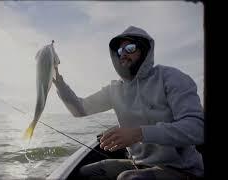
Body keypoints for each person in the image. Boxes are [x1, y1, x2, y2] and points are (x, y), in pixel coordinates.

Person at [52, 26, 204, 180]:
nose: (123, 54)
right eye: (120, 51)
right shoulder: (114, 89)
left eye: (130, 48)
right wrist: (58, 82)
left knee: (128, 178)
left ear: (144, 50)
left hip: (182, 169)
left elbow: (197, 128)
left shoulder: (171, 77)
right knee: (85, 172)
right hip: (138, 163)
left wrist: (139, 134)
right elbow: (80, 109)